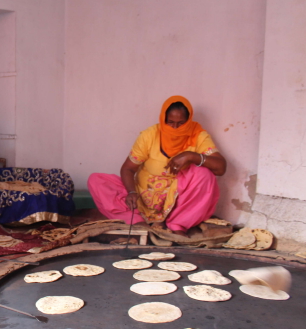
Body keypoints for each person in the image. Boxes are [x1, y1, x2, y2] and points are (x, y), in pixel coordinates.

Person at [88, 96, 227, 236]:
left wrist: (191, 156)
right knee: (96, 180)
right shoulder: (149, 135)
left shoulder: (198, 135)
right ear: (163, 119)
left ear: (189, 120)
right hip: (142, 199)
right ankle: (138, 223)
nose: (175, 128)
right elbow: (128, 168)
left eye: (181, 123)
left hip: (177, 202)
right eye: (170, 122)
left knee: (204, 174)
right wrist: (131, 192)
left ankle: (177, 224)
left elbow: (221, 168)